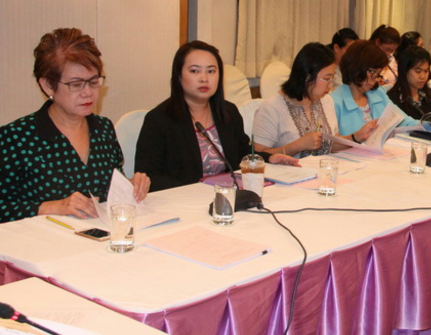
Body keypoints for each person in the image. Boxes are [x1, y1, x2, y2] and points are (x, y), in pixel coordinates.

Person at [0, 28, 150, 222]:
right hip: (44, 238)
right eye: (76, 84)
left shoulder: (103, 128)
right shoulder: (16, 137)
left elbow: (110, 189)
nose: (88, 92)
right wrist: (52, 206)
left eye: (94, 82)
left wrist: (132, 186)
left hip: (100, 233)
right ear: (48, 85)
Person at [135, 41, 298, 192]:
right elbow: (149, 176)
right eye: (194, 71)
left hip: (227, 195)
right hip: (184, 201)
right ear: (179, 75)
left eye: (211, 71)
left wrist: (269, 158)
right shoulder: (158, 120)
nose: (204, 78)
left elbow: (241, 153)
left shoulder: (228, 112)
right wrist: (197, 191)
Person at [253, 43, 378, 158]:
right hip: (288, 174)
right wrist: (297, 146)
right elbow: (257, 156)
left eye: (332, 78)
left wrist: (357, 136)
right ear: (306, 77)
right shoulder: (272, 108)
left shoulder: (326, 101)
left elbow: (330, 145)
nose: (330, 85)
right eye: (326, 79)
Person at [332, 40, 431, 136]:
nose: (375, 79)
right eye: (373, 73)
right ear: (356, 67)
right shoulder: (334, 101)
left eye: (378, 74)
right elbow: (330, 144)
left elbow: (404, 121)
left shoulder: (378, 94)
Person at [387, 46, 431, 122]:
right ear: (405, 71)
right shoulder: (394, 99)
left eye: (426, 71)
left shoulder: (429, 95)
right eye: (418, 71)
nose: (423, 76)